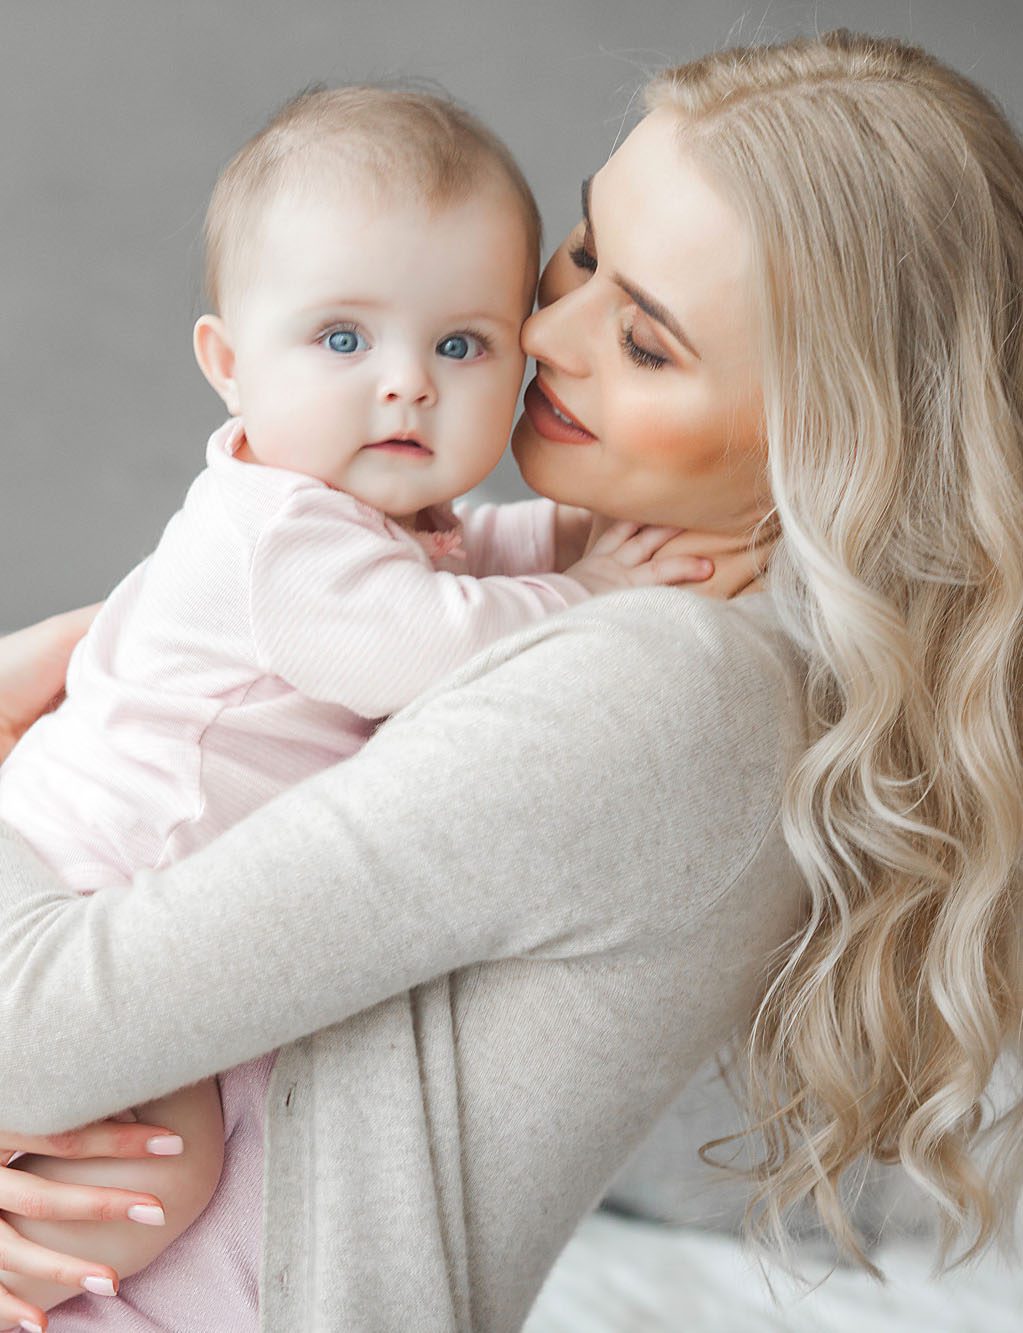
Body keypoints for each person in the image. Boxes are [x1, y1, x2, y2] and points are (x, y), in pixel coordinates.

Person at [0, 25, 1019, 1333]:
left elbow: (36, 1031)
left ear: (823, 438)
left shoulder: (661, 687)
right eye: (585, 251)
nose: (540, 326)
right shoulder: (615, 602)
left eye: (645, 342)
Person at [0, 86, 711, 1325]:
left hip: (117, 898)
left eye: (461, 345)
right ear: (229, 363)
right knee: (156, 1168)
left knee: (138, 1169)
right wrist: (595, 584)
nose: (406, 388)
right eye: (342, 341)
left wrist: (580, 534)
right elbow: (427, 646)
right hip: (78, 876)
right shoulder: (278, 540)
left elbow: (478, 559)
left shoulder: (370, 526)